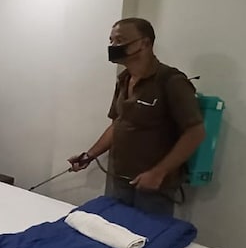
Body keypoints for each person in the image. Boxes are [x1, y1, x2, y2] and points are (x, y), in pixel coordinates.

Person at [69, 18, 205, 217]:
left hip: (153, 186)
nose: (113, 46)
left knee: (147, 234)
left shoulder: (171, 81)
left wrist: (158, 173)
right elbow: (118, 124)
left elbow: (195, 133)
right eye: (111, 41)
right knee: (114, 229)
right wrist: (89, 156)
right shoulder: (123, 79)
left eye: (120, 40)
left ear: (145, 43)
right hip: (120, 178)